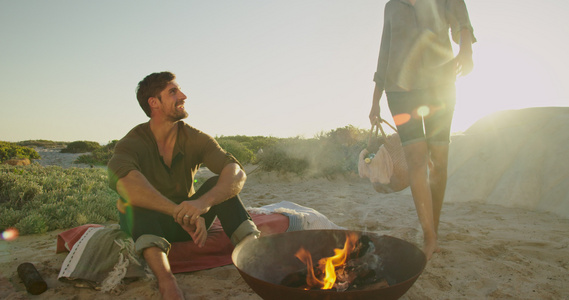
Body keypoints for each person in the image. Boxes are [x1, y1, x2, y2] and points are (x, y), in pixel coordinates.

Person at [107, 71, 260, 299]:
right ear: (154, 102)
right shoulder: (131, 143)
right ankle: (167, 280)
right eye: (173, 92)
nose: (183, 95)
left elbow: (236, 172)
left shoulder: (195, 138)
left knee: (218, 183)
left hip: (192, 222)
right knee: (135, 202)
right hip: (152, 223)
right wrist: (178, 211)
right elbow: (128, 184)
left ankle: (258, 257)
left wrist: (201, 204)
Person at [368, 0, 476, 260]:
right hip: (399, 90)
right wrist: (375, 99)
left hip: (440, 85)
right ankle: (429, 237)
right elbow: (385, 51)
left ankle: (433, 229)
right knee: (417, 160)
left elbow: (460, 17)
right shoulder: (391, 6)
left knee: (438, 161)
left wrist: (466, 50)